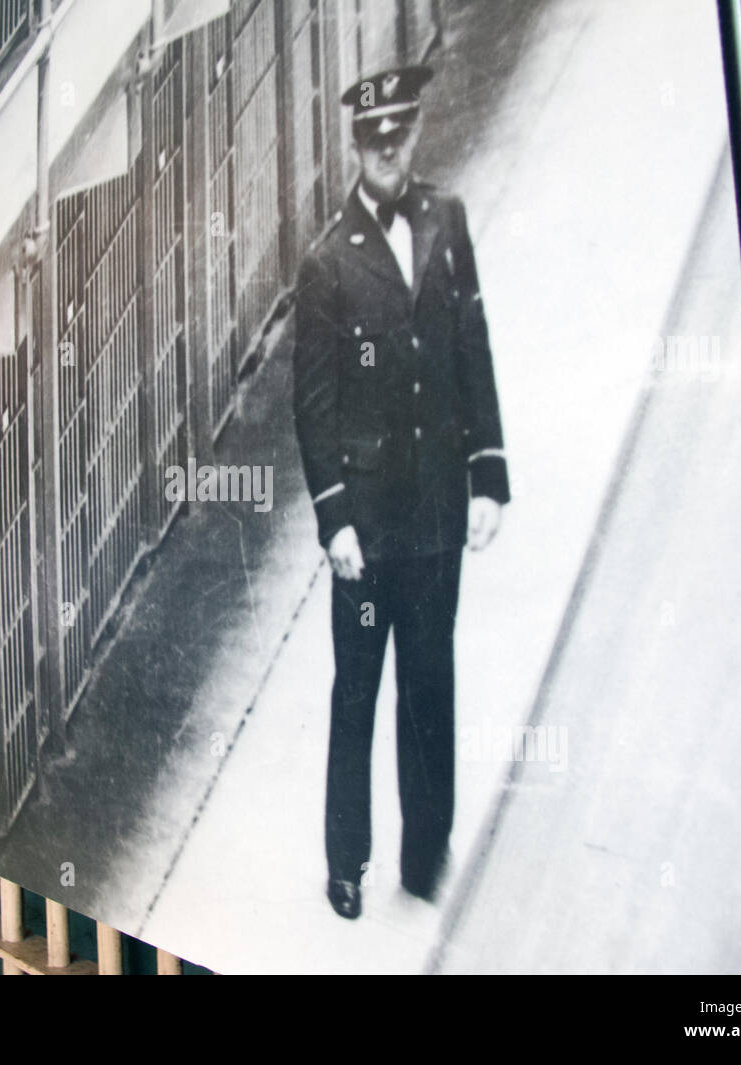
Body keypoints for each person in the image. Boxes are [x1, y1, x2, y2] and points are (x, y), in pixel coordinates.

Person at [291, 65, 510, 920]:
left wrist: (487, 473)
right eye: (375, 139)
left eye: (402, 135)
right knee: (357, 692)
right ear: (356, 146)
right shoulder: (325, 263)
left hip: (435, 517)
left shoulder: (447, 220)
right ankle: (346, 861)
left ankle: (425, 854)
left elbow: (472, 344)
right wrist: (334, 517)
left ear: (415, 134)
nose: (390, 151)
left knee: (430, 683)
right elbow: (312, 405)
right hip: (368, 535)